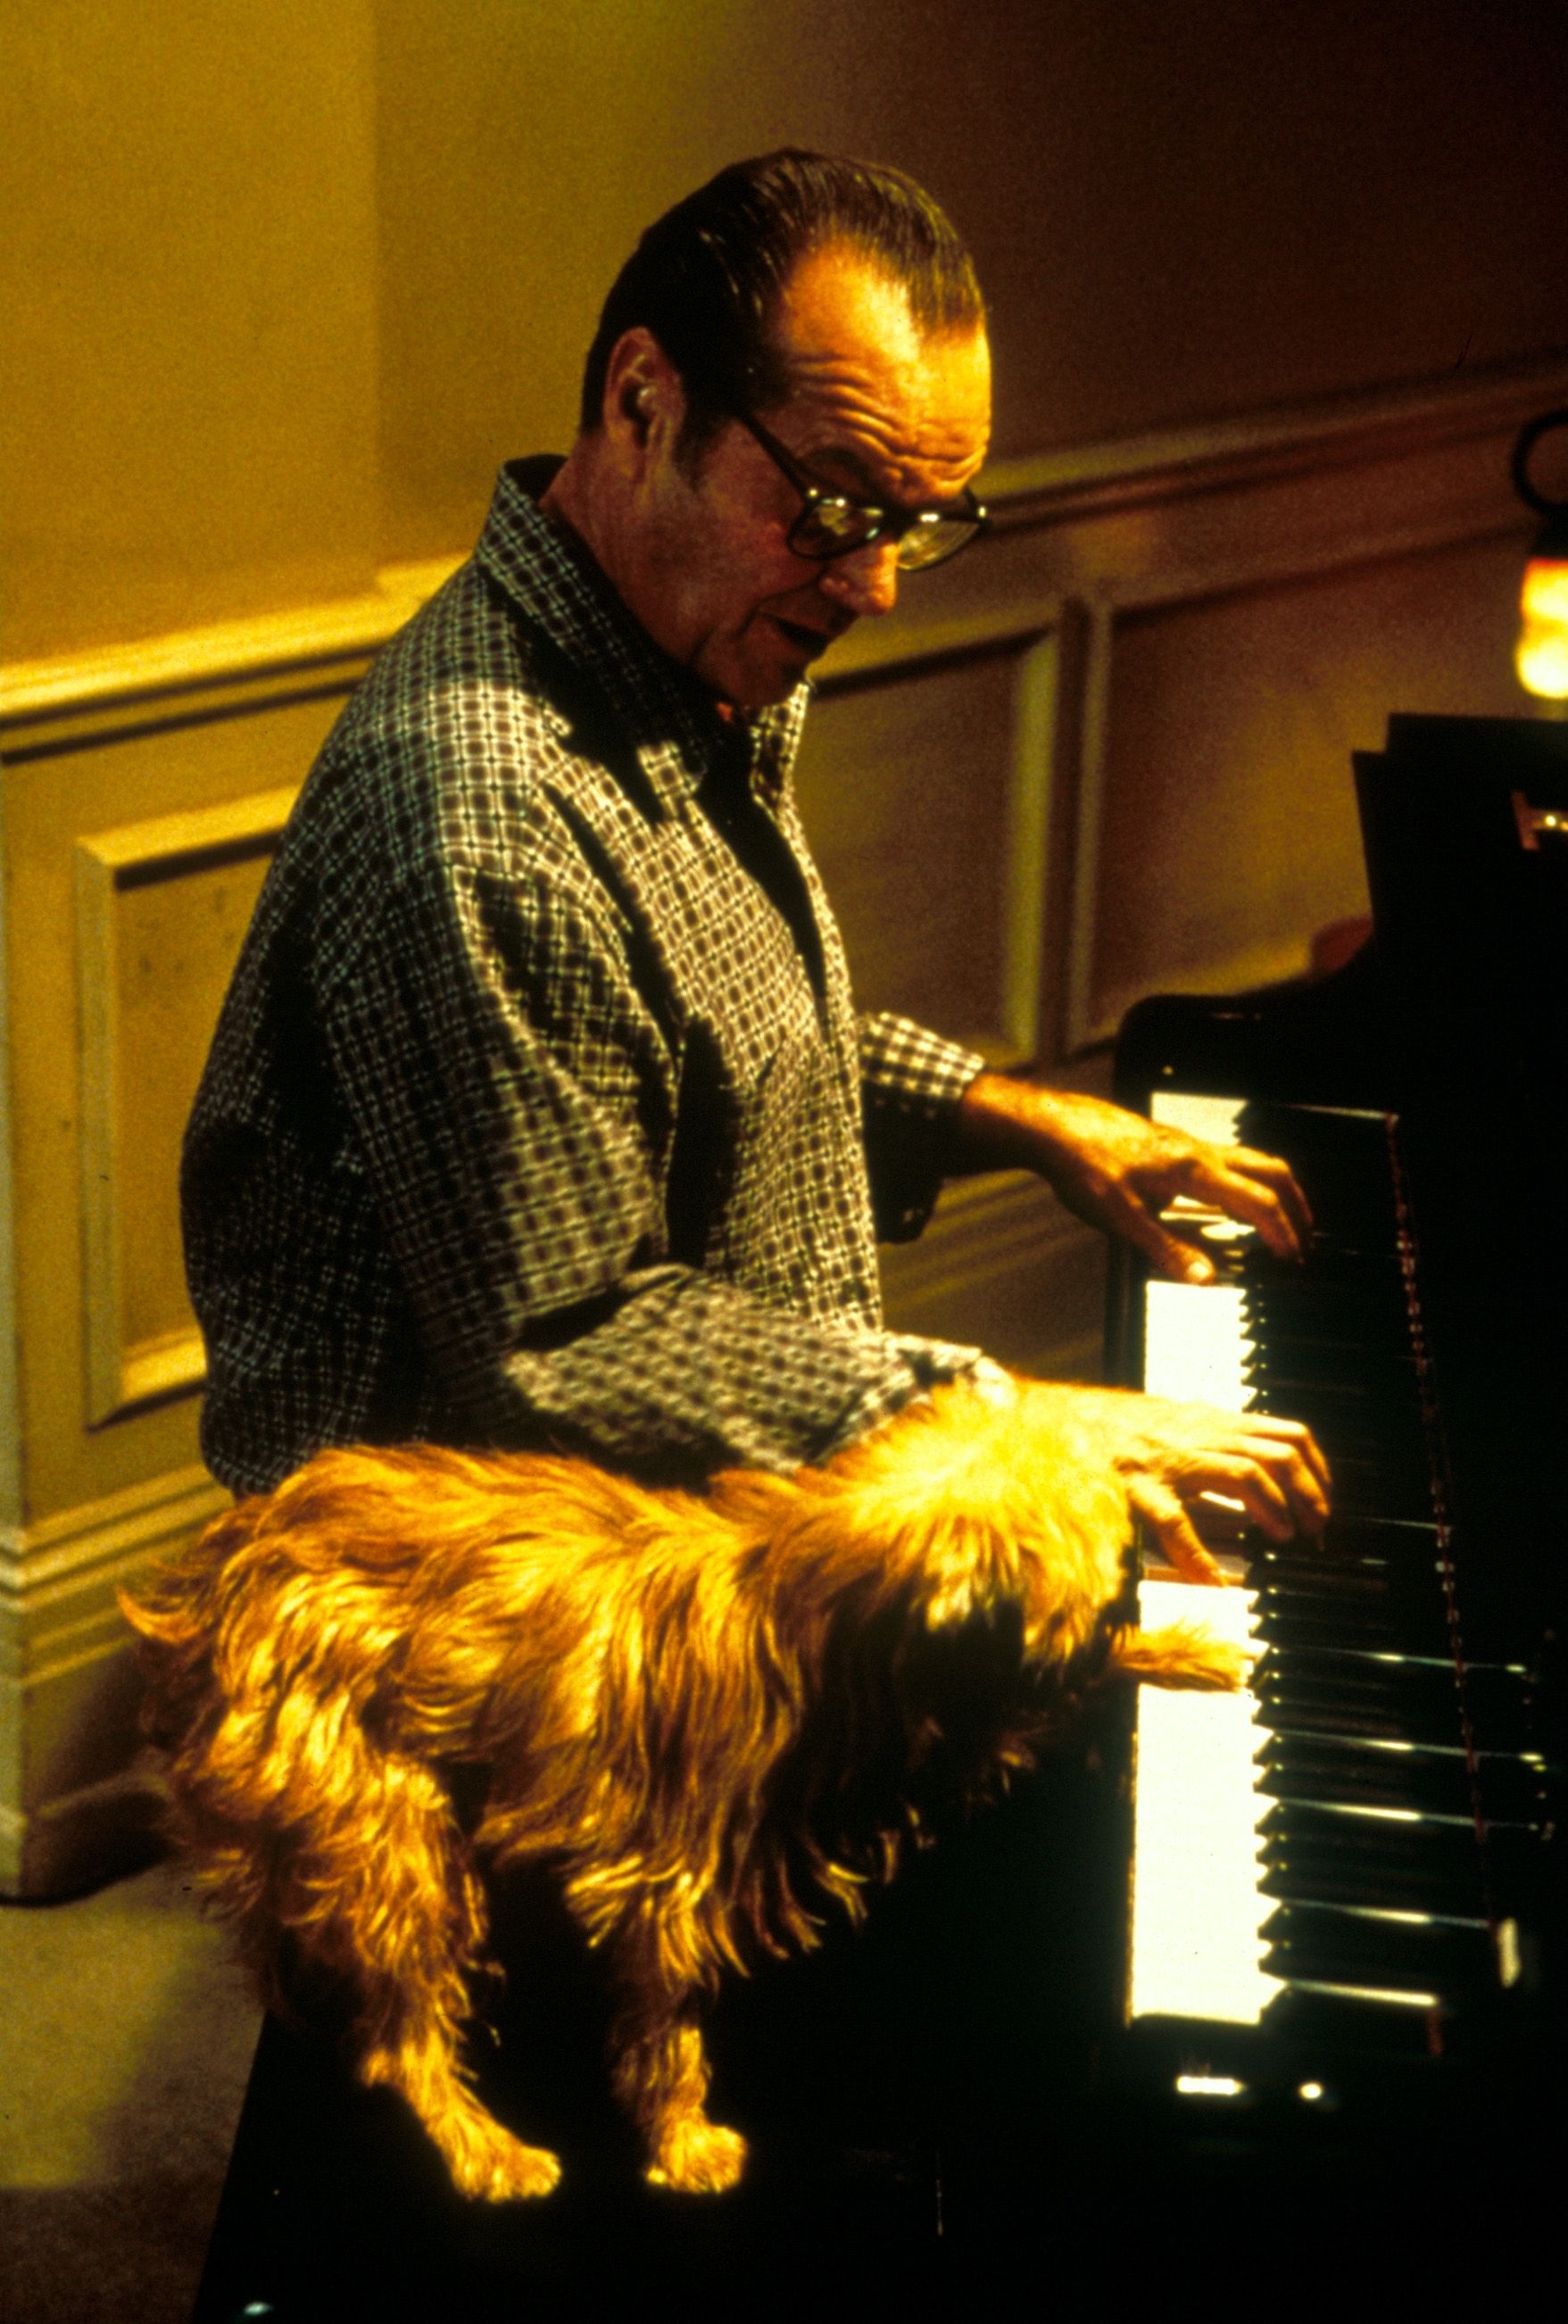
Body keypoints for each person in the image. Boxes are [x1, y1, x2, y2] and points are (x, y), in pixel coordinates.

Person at [182, 149, 1328, 1578]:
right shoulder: (486, 810)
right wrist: (1004, 1419)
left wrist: (1005, 1115)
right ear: (642, 403)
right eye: (835, 506)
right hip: (496, 1632)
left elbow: (687, 1054)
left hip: (665, 1552)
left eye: (918, 523)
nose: (874, 585)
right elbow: (571, 1347)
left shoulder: (679, 668)